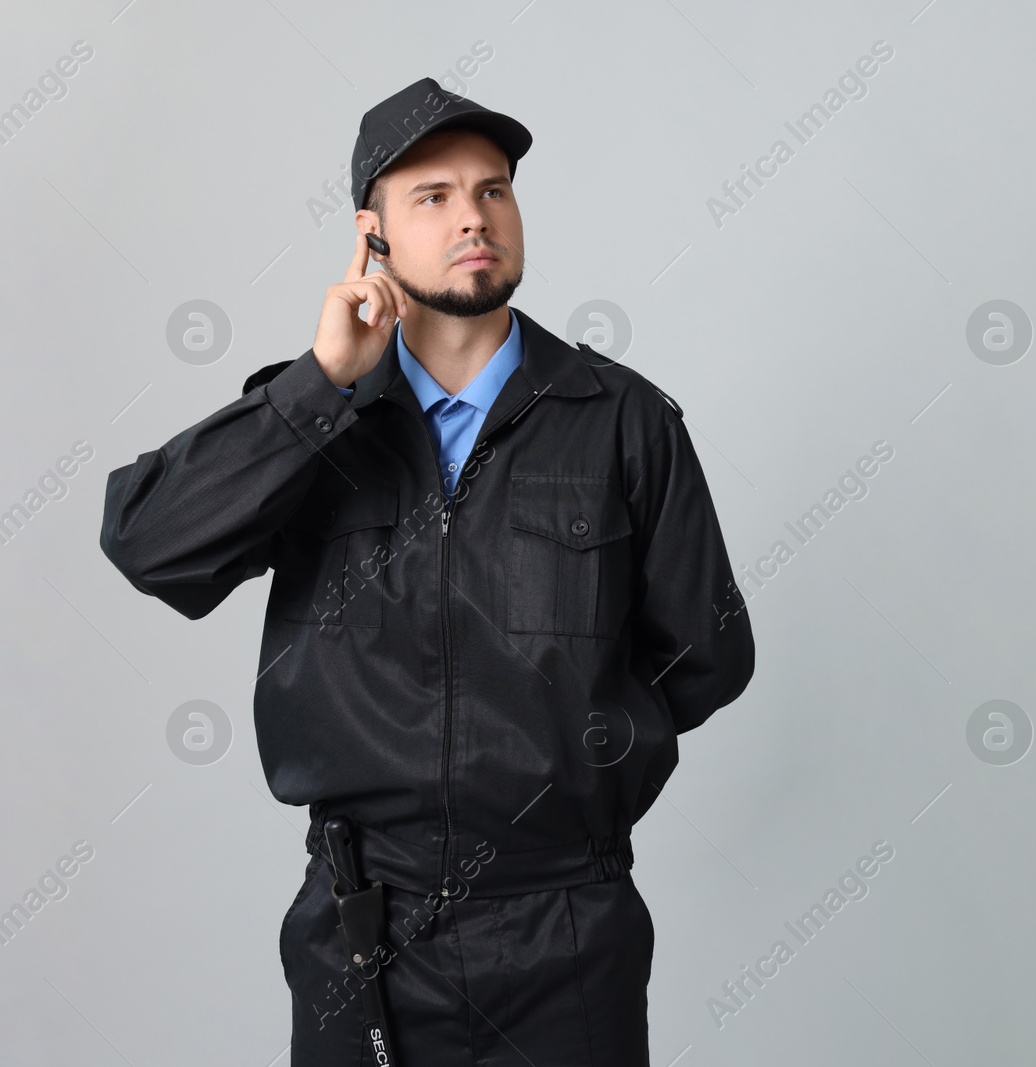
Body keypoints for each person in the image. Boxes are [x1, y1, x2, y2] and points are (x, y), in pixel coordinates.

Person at [98, 76, 755, 1065]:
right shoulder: (312, 418)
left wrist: (578, 769)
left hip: (565, 924)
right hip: (362, 929)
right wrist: (318, 385)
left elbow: (706, 655)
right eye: (433, 197)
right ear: (372, 235)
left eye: (492, 190)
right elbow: (148, 541)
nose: (473, 217)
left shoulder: (622, 421)